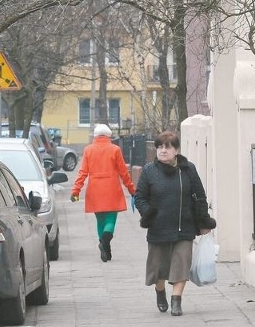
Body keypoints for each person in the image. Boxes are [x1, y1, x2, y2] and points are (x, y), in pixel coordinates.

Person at [134, 131, 216, 316]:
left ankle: (176, 300)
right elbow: (140, 197)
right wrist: (149, 214)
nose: (163, 151)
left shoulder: (188, 169)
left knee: (182, 263)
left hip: (184, 226)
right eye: (160, 147)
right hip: (158, 227)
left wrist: (203, 221)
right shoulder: (149, 171)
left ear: (176, 150)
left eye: (167, 147)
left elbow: (200, 196)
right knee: (158, 268)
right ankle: (160, 290)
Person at [71, 123, 136, 262]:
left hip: (95, 190)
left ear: (95, 136)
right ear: (109, 136)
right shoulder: (115, 149)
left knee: (100, 220)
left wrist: (75, 191)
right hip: (112, 189)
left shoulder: (88, 150)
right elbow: (123, 173)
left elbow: (82, 173)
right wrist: (132, 190)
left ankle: (104, 245)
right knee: (111, 219)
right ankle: (105, 243)